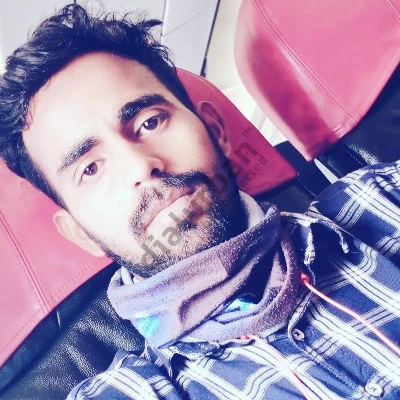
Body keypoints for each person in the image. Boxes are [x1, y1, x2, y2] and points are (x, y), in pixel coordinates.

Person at [0, 4, 399, 400]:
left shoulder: (380, 197)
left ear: (215, 129)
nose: (141, 167)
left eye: (150, 122)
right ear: (82, 235)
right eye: (90, 169)